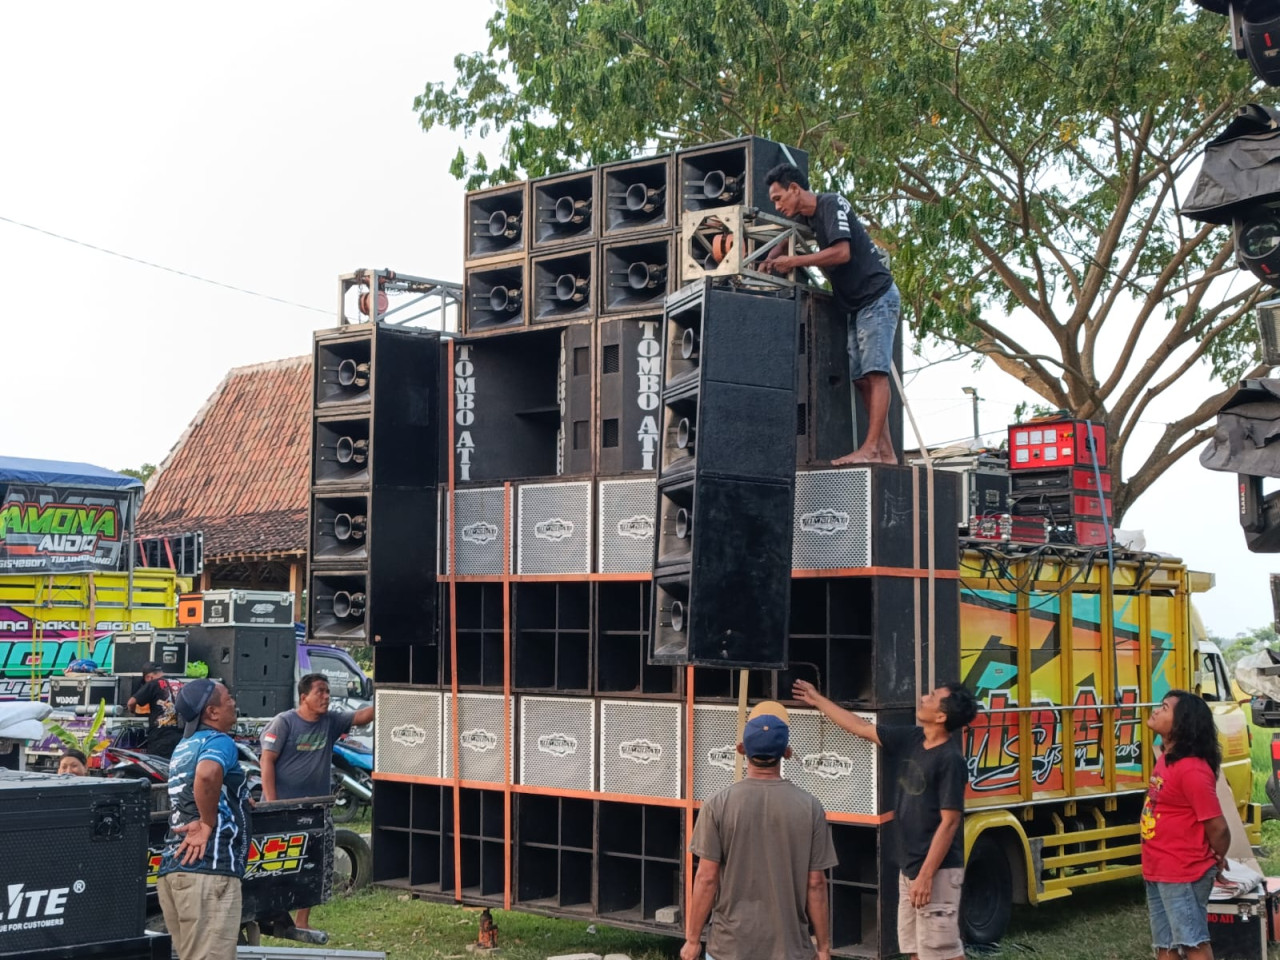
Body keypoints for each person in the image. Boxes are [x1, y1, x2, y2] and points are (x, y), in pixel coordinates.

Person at [793, 679, 978, 960]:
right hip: (910, 868)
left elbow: (950, 822)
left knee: (943, 952)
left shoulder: (950, 760)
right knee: (916, 950)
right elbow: (860, 727)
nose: (923, 698)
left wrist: (926, 876)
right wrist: (818, 700)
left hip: (936, 872)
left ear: (941, 716)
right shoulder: (913, 739)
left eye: (932, 697)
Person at [763, 163, 900, 466]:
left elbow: (842, 252)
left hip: (876, 297)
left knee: (876, 373)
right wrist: (769, 259)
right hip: (856, 305)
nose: (777, 205)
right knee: (861, 379)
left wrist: (795, 261)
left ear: (795, 189)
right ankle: (885, 451)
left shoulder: (830, 203)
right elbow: (786, 238)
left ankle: (872, 448)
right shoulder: (806, 216)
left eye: (778, 197)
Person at [682, 701, 838, 960]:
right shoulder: (810, 807)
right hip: (789, 949)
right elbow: (816, 884)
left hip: (729, 948)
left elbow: (706, 878)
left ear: (741, 750)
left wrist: (692, 940)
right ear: (786, 753)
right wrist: (822, 948)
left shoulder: (717, 804)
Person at [260, 673, 374, 930]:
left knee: (312, 863)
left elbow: (362, 716)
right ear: (304, 697)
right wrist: (273, 804)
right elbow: (266, 761)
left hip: (316, 809)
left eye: (327, 692)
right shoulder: (284, 723)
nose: (326, 697)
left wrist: (390, 696)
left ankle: (302, 921)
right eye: (320, 692)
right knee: (278, 864)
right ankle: (271, 915)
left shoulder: (331, 721)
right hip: (284, 809)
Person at [156, 679, 250, 960]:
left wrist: (240, 798)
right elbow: (207, 775)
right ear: (212, 712)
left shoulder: (184, 746)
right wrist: (208, 823)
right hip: (208, 870)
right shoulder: (218, 740)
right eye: (228, 698)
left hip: (175, 870)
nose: (233, 702)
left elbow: (204, 785)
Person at [1141, 690, 1229, 960]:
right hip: (1159, 868)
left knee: (1193, 943)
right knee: (1165, 946)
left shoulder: (1192, 769)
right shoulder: (1167, 758)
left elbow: (1219, 828)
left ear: (1182, 724)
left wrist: (1217, 856)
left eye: (1165, 708)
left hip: (1182, 871)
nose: (1156, 710)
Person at [127, 662, 182, 759]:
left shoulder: (153, 683)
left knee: (157, 769)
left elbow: (131, 703)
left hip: (161, 737)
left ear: (149, 677)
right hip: (181, 736)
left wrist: (132, 712)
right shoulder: (179, 683)